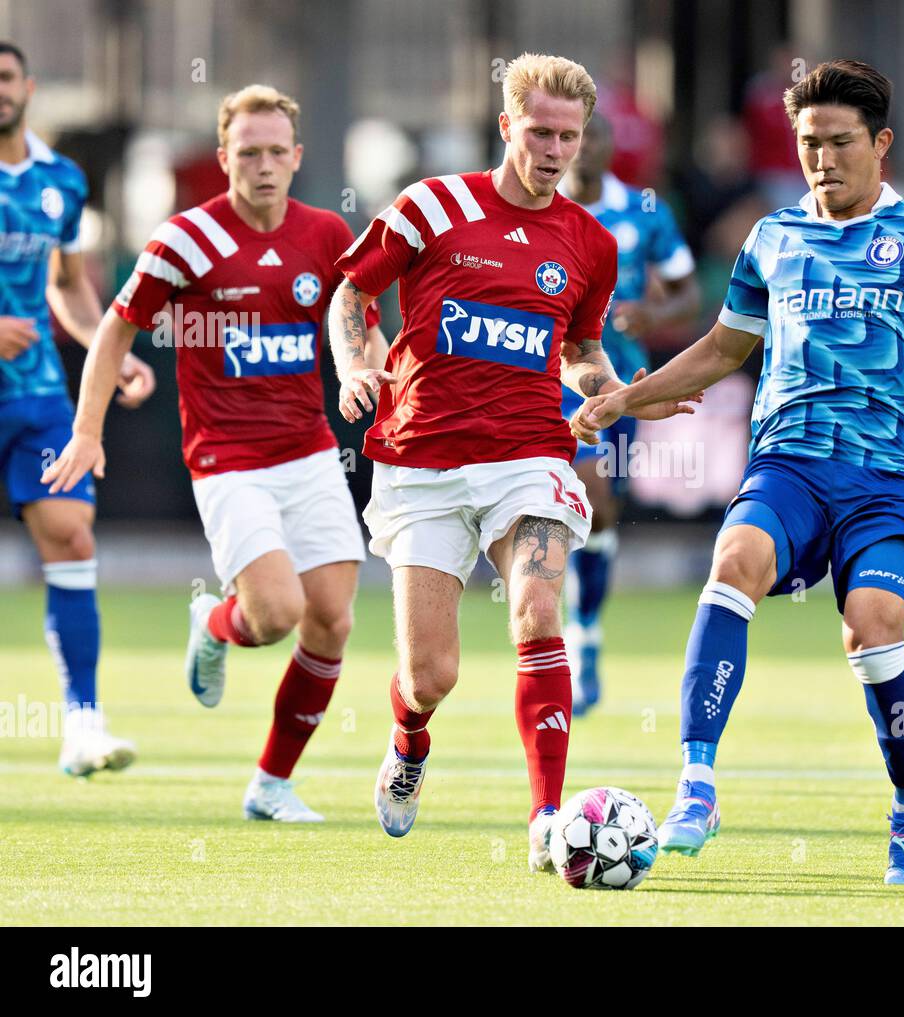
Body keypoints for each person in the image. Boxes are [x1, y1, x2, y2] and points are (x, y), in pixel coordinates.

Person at [573, 60, 904, 884]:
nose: (820, 159)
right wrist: (631, 397)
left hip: (888, 480)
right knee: (732, 566)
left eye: (838, 143)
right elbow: (725, 346)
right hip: (788, 463)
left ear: (881, 143)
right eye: (806, 144)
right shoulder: (773, 239)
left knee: (872, 625)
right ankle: (698, 783)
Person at [329, 52, 698, 869]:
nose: (555, 149)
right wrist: (358, 364)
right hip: (420, 459)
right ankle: (408, 739)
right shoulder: (433, 206)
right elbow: (351, 294)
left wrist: (619, 395)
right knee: (432, 675)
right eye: (539, 131)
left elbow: (582, 352)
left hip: (528, 453)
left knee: (536, 612)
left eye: (570, 135)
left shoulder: (590, 244)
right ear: (506, 126)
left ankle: (546, 818)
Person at [43, 84, 385, 821]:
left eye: (275, 152)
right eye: (247, 152)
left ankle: (271, 783)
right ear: (224, 156)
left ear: (296, 157)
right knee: (277, 614)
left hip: (311, 451)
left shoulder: (327, 235)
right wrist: (87, 430)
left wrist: (362, 365)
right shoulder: (184, 241)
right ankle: (219, 622)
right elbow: (115, 329)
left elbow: (358, 314)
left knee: (332, 619)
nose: (263, 166)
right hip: (228, 460)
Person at [0, 41, 155, 776]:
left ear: (27, 86)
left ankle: (83, 725)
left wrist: (107, 348)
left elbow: (65, 282)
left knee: (71, 537)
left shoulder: (60, 179)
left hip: (34, 396)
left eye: (5, 77)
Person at [560, 112, 700, 714]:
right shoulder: (535, 207)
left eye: (593, 136)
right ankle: (562, 636)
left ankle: (584, 627)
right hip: (541, 376)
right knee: (576, 496)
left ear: (612, 146)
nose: (582, 147)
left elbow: (690, 291)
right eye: (570, 135)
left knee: (599, 509)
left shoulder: (644, 212)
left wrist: (653, 316)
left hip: (621, 382)